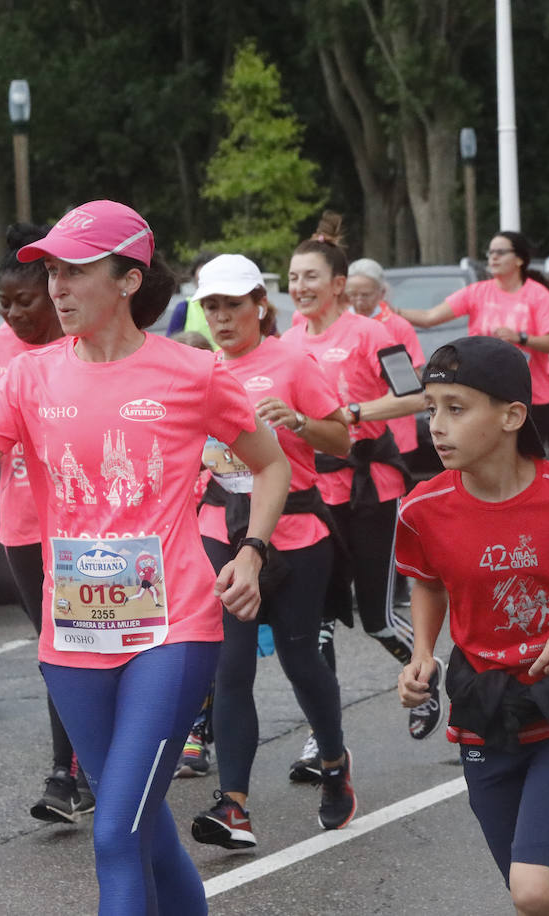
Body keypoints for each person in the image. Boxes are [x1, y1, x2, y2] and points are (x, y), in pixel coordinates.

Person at [0, 200, 290, 914]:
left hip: (174, 631)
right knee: (142, 827)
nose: (57, 289)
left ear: (129, 279)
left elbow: (271, 465)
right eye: (52, 273)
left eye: (75, 271)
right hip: (71, 638)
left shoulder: (192, 374)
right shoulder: (27, 379)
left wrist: (252, 552)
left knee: (113, 833)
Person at [396, 335, 549, 915]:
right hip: (483, 712)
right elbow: (428, 581)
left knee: (534, 889)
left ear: (511, 416)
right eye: (431, 408)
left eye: (456, 408)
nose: (437, 425)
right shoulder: (421, 509)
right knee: (531, 895)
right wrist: (423, 653)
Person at [188, 253, 357, 849]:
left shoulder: (291, 360)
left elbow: (343, 437)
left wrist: (301, 422)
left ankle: (334, 763)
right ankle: (234, 805)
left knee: (299, 660)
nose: (223, 317)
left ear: (259, 304)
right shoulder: (199, 367)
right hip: (220, 527)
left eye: (233, 304)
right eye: (212, 306)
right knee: (229, 666)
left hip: (296, 531)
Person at [0, 222, 93, 824]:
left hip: (91, 527)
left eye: (24, 301)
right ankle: (68, 773)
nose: (11, 314)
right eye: (2, 303)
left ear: (55, 290)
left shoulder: (84, 343)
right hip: (25, 528)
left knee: (96, 647)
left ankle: (108, 757)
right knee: (57, 649)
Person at [280, 212, 434, 763]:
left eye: (311, 277)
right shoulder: (286, 342)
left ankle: (424, 677)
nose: (299, 287)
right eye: (293, 278)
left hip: (374, 488)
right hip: (313, 497)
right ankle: (322, 735)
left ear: (338, 285)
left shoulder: (375, 333)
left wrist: (351, 411)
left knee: (374, 619)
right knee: (318, 619)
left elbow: (418, 397)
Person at [397, 231, 549, 456]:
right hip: (482, 395)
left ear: (519, 259)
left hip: (531, 396)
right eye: (491, 252)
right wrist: (393, 311)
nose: (493, 257)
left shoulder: (537, 295)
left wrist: (521, 338)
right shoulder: (478, 292)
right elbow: (429, 318)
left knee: (525, 463)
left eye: (500, 252)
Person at [345, 258, 397, 323]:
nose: (359, 303)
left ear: (382, 293)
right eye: (353, 295)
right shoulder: (336, 322)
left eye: (365, 295)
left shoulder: (398, 326)